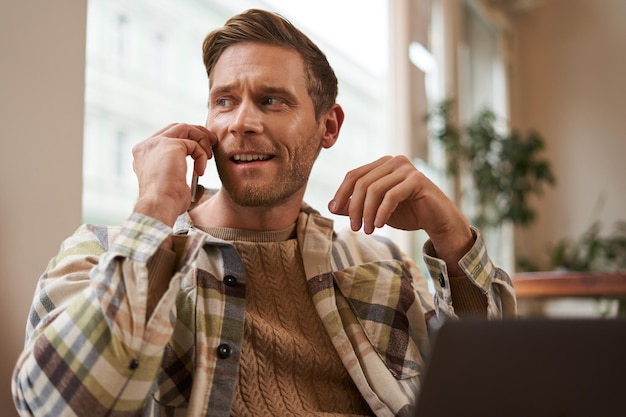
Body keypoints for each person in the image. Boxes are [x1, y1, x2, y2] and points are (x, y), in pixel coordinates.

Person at [12, 8, 516, 417]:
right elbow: (55, 407)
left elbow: (494, 392)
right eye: (224, 101)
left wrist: (452, 236)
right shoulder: (103, 255)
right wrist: (154, 211)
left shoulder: (379, 264)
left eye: (272, 101)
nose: (242, 123)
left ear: (328, 126)